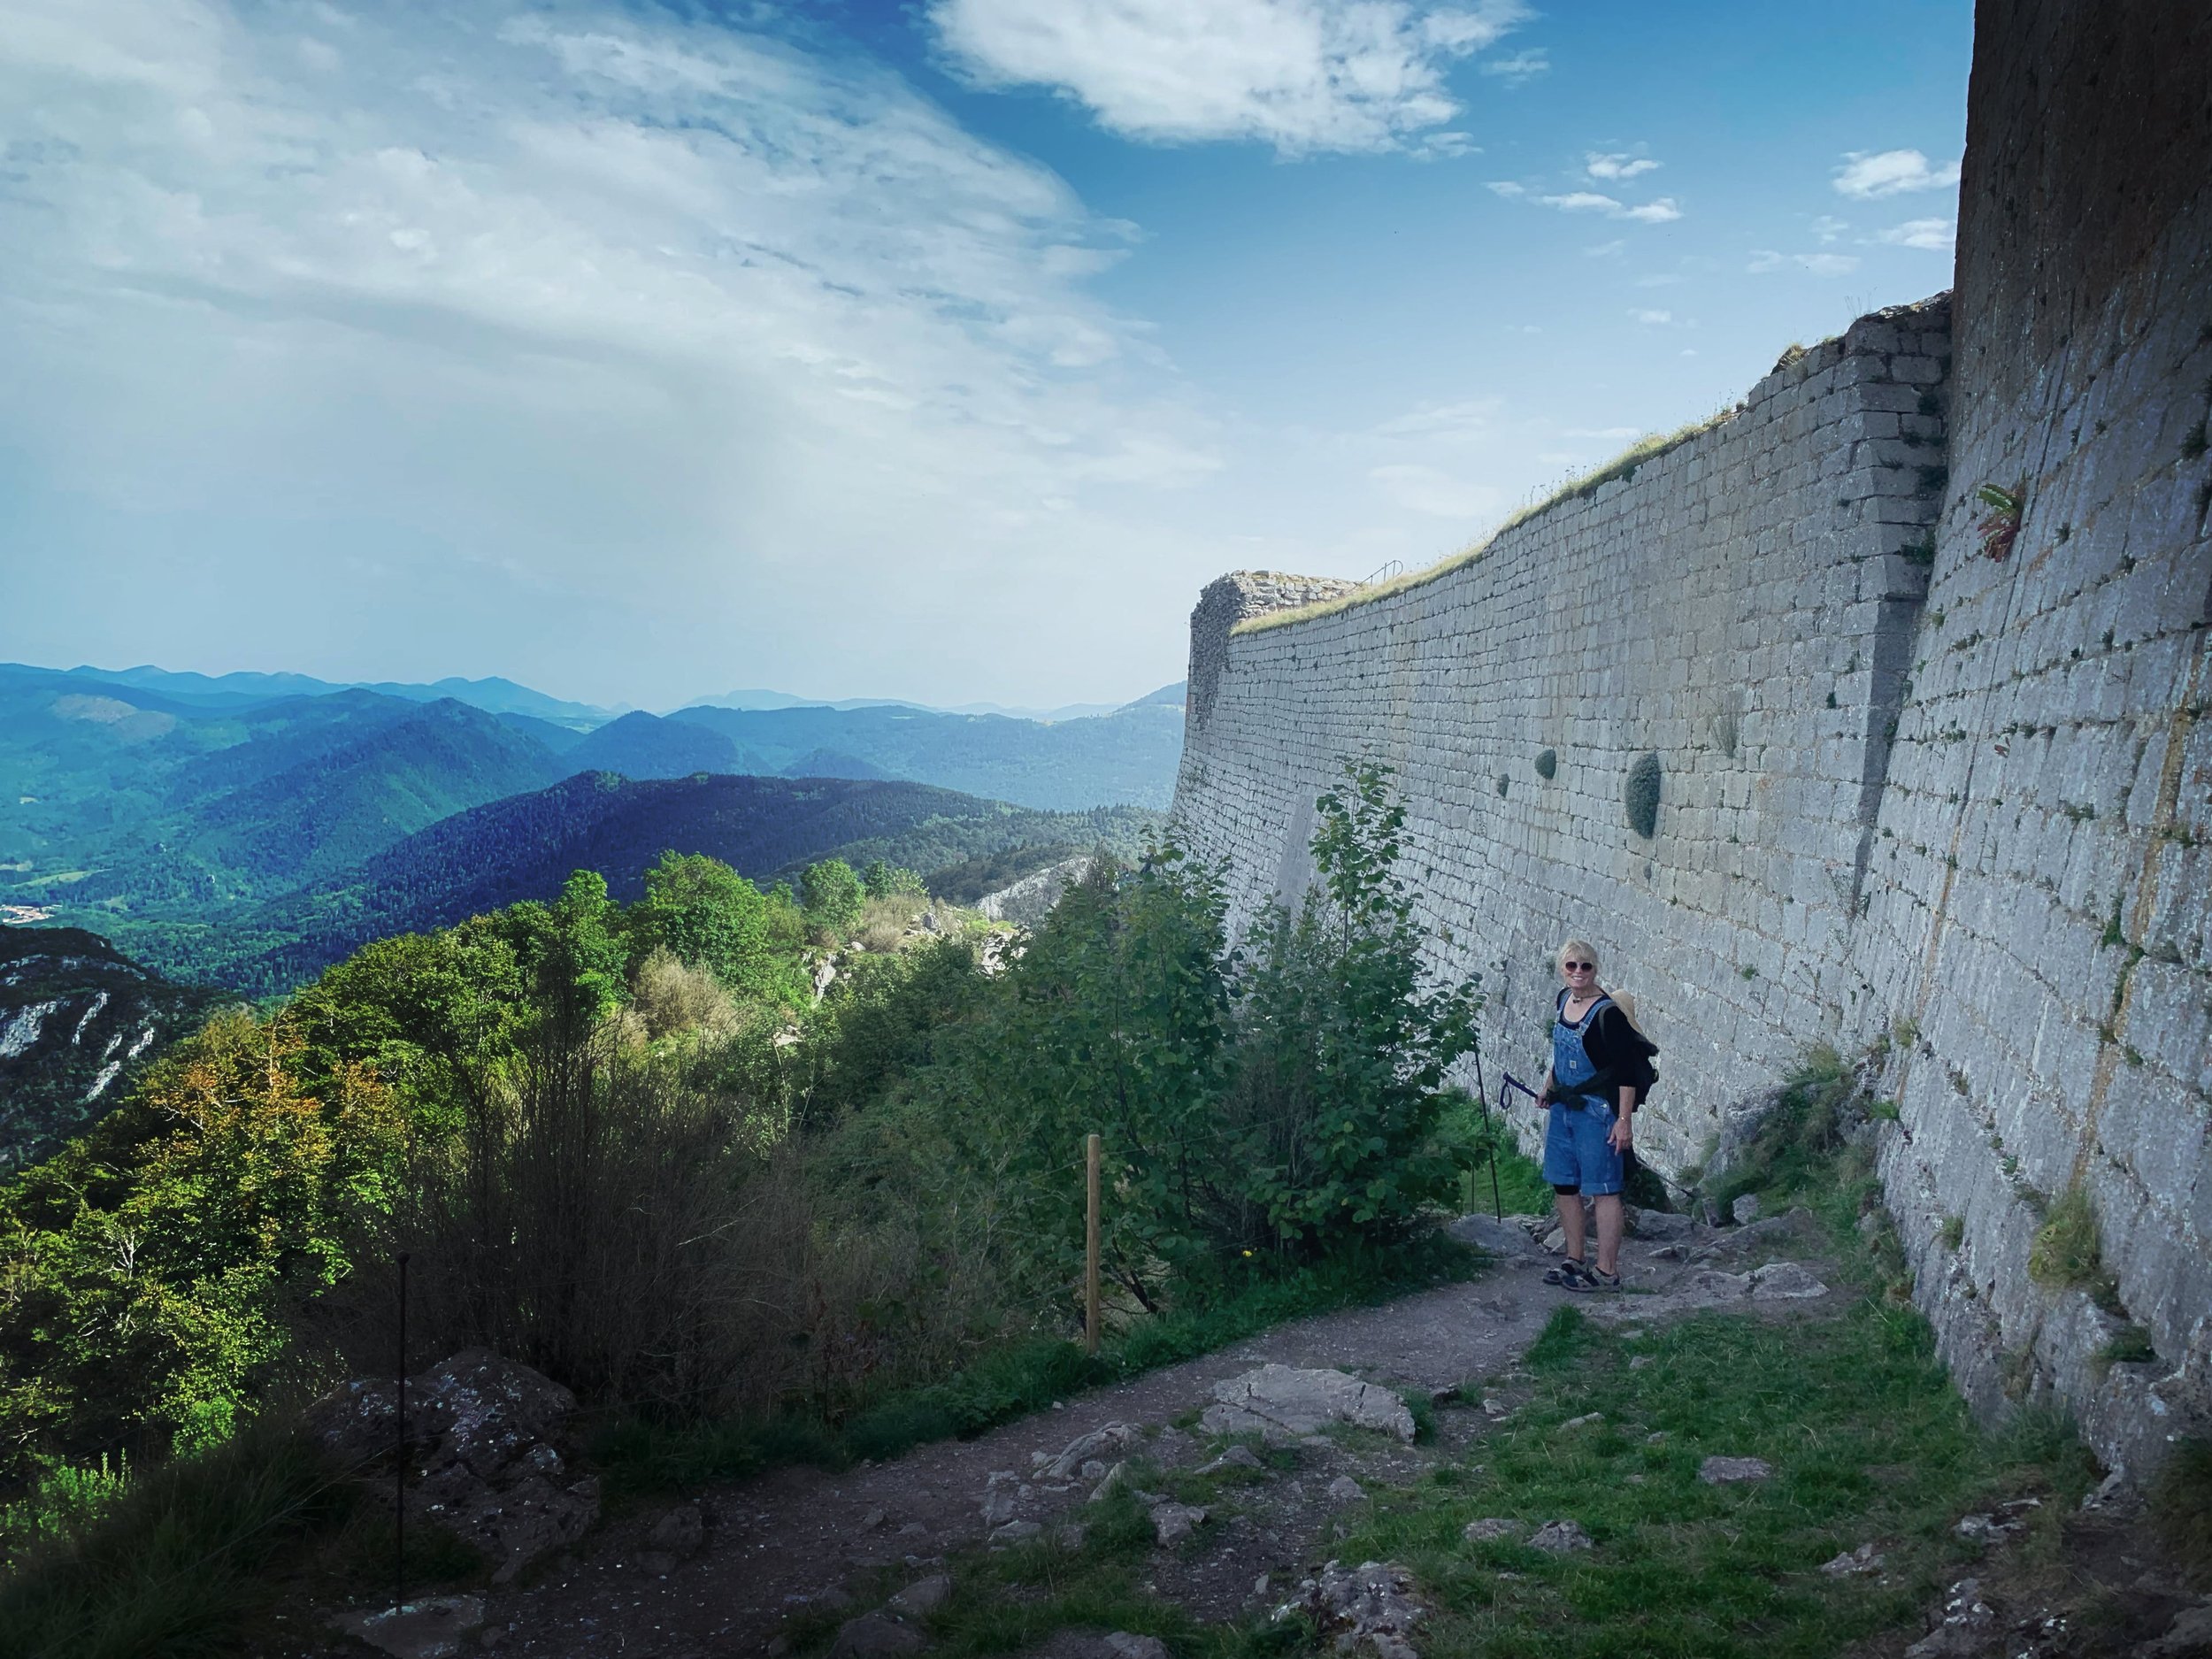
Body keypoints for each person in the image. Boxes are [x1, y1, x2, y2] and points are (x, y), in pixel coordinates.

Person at [1532, 938, 1648, 1291]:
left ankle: (1606, 1272)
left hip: (1597, 1114)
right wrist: (1549, 1086)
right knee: (1565, 1185)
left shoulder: (1608, 1015)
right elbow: (1559, 1052)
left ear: (1595, 970)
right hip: (1565, 1108)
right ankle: (1574, 1258)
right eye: (1572, 966)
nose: (1579, 972)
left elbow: (1626, 1072)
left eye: (1586, 966)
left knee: (1604, 1189)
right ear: (1562, 970)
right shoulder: (1563, 1000)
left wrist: (1623, 1121)